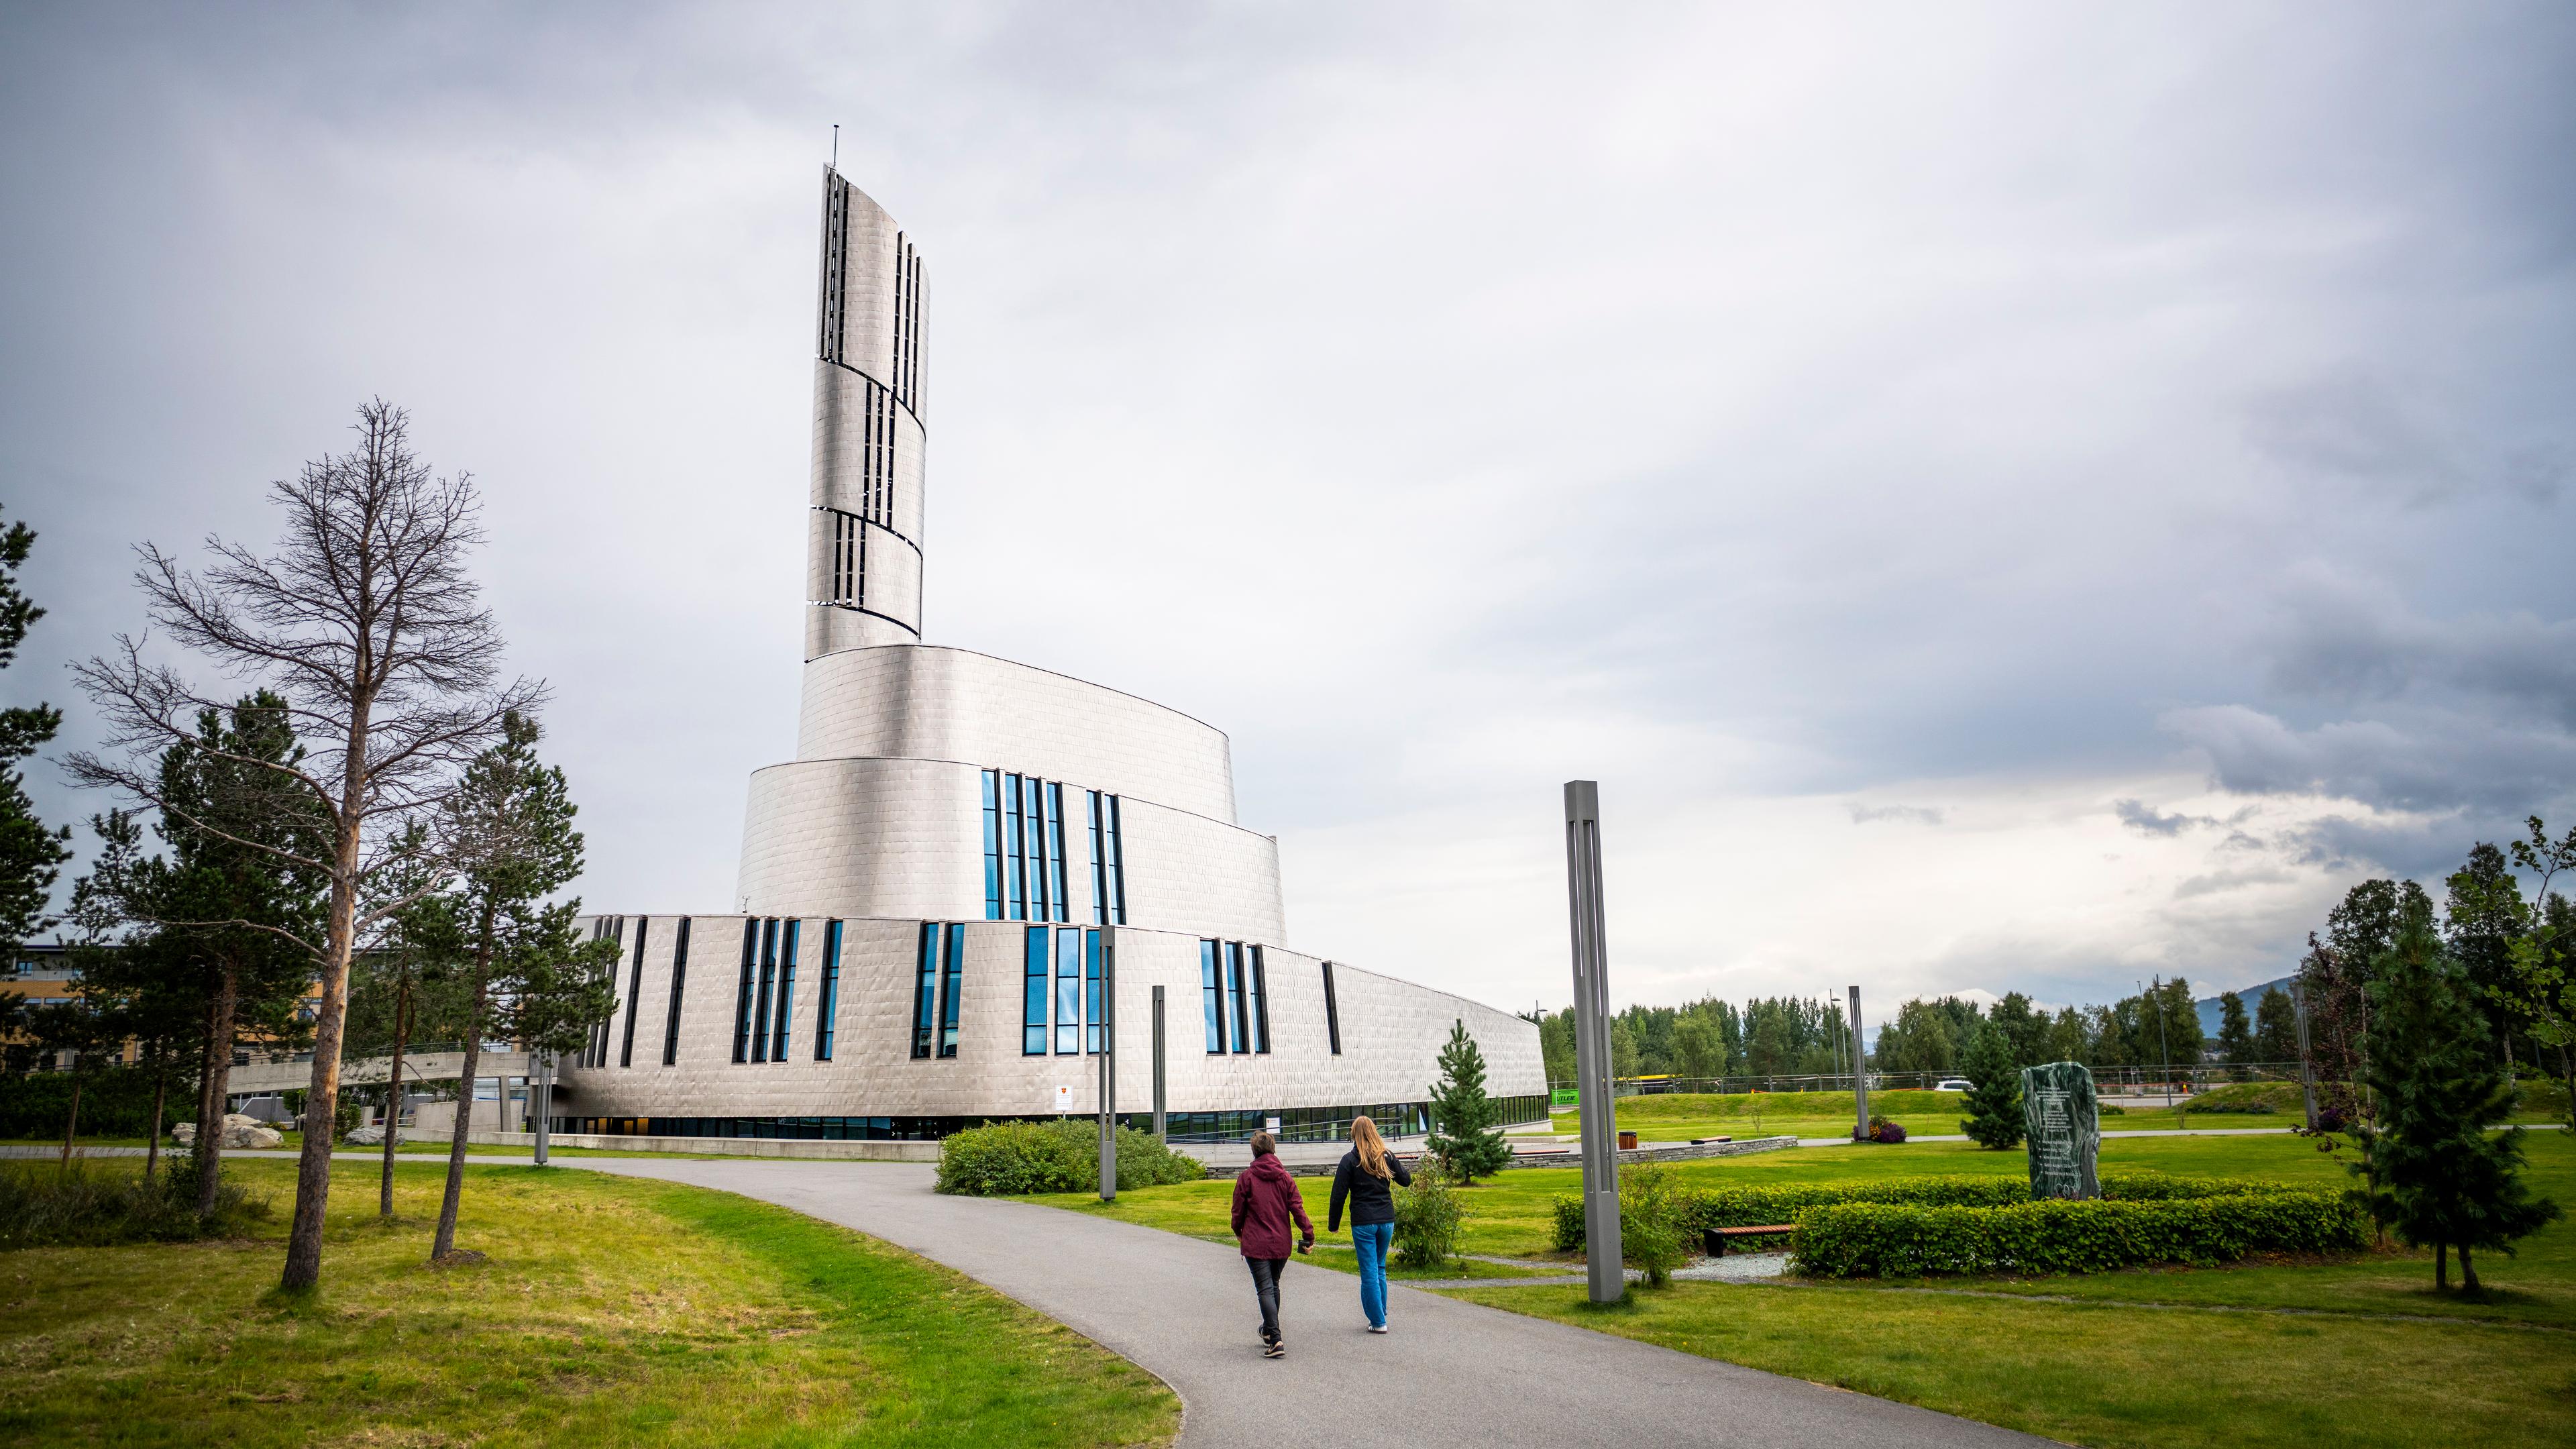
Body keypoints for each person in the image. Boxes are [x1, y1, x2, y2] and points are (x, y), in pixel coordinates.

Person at [1230, 1130, 1313, 1358]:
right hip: (1280, 1242)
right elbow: (1298, 1208)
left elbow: (1237, 1211)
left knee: (1265, 1288)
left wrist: (1238, 1231)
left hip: (1256, 1242)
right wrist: (1309, 1234)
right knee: (1273, 1285)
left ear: (1254, 1151)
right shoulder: (1285, 1178)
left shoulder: (1247, 1178)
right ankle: (1268, 1330)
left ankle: (1276, 1340)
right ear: (1273, 1149)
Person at [1327, 1114, 1413, 1334]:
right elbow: (1405, 1180)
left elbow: (1338, 1195)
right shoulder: (1386, 1156)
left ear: (1355, 1135)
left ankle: (1378, 1321)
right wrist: (1392, 1161)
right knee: (1380, 1268)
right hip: (1386, 1220)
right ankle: (1380, 1313)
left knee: (1369, 1272)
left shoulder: (1350, 1160)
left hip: (1364, 1221)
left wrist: (1333, 1224)